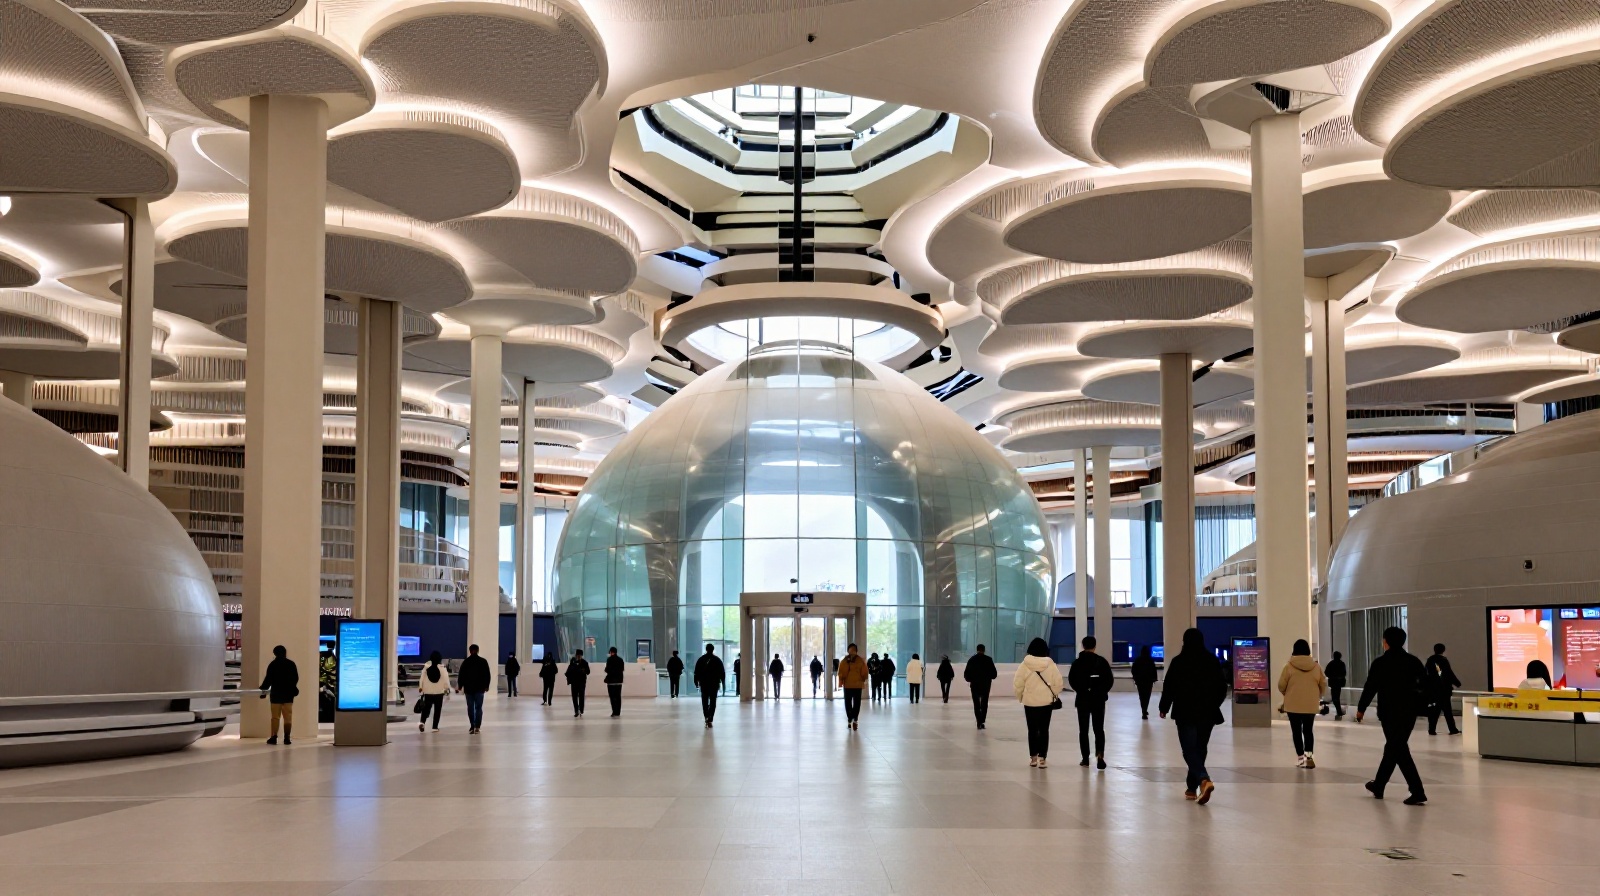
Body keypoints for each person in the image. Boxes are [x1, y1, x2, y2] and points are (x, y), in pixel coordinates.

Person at [1356, 626, 1428, 805]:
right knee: (1396, 747)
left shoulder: (1380, 663)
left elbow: (1370, 686)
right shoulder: (1413, 661)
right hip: (1409, 712)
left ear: (1386, 642)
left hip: (1388, 713)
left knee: (1398, 749)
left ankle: (1417, 791)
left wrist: (1361, 708)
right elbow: (1424, 686)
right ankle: (1379, 785)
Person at [1159, 628, 1227, 805]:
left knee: (1189, 748)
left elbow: (1170, 686)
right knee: (1200, 748)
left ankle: (1203, 779)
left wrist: (1164, 707)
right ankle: (1191, 787)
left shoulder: (1179, 661)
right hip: (1208, 713)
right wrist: (1214, 704)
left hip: (1185, 711)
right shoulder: (1212, 661)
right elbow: (1222, 687)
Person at [1015, 637, 1065, 768]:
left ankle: (1033, 758)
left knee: (1032, 730)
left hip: (1029, 702)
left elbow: (1018, 683)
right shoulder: (1050, 664)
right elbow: (1059, 683)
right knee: (1044, 729)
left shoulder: (1025, 664)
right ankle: (1042, 758)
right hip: (1046, 702)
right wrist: (1052, 695)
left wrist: (1021, 697)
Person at [1277, 639, 1327, 768]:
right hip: (1310, 705)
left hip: (1293, 705)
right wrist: (1317, 695)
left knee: (1296, 731)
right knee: (1308, 730)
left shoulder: (1288, 666)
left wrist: (1287, 694)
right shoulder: (1316, 667)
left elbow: (1281, 685)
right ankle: (1309, 757)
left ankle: (1300, 758)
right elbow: (1323, 684)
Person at [1068, 635, 1112, 769]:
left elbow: (1072, 680)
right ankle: (1100, 756)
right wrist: (1100, 692)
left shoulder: (1077, 663)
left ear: (1083, 646)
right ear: (1095, 646)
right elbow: (1109, 681)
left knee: (1083, 730)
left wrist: (1082, 690)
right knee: (1099, 729)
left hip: (1082, 699)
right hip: (1098, 700)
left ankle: (1085, 758)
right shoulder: (1102, 662)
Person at [257, 644, 299, 745]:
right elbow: (295, 678)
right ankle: (287, 737)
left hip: (276, 694)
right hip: (288, 695)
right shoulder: (291, 664)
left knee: (275, 717)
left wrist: (263, 691)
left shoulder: (273, 664)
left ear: (275, 653)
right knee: (288, 717)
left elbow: (268, 679)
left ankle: (274, 736)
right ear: (285, 653)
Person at [1425, 643, 1462, 736]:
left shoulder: (1430, 660)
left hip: (1433, 690)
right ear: (1443, 650)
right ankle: (1452, 729)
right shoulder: (1444, 660)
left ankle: (1431, 729)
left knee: (1434, 711)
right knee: (1447, 711)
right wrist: (1457, 683)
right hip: (1444, 690)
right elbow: (1449, 673)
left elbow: (1426, 674)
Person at [456, 644, 492, 734]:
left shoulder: (466, 662)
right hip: (480, 689)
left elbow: (461, 675)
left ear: (470, 651)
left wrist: (460, 686)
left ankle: (472, 725)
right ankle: (477, 727)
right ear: (478, 650)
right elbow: (487, 675)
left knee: (470, 708)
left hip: (469, 689)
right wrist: (487, 686)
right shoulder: (483, 661)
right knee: (478, 708)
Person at [964, 644, 998, 729]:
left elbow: (966, 674)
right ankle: (982, 720)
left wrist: (970, 679)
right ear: (984, 650)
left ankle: (978, 721)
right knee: (984, 703)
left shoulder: (972, 660)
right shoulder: (988, 660)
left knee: (976, 704)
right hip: (986, 685)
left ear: (977, 650)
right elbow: (994, 674)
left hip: (975, 685)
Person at [838, 644, 869, 730]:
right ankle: (855, 719)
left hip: (847, 685)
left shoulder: (844, 660)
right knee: (857, 703)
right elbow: (864, 672)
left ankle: (849, 718)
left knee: (848, 702)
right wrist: (863, 679)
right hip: (858, 685)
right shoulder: (860, 660)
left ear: (848, 650)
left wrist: (841, 680)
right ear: (856, 650)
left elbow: (841, 673)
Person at [416, 650, 449, 732]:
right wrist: (446, 688)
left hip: (428, 692)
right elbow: (445, 680)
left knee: (426, 708)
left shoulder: (426, 667)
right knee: (437, 710)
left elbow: (422, 678)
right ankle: (435, 727)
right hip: (439, 692)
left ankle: (422, 722)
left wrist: (421, 687)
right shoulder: (442, 668)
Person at [694, 644, 725, 728]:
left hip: (704, 684)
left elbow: (696, 672)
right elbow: (722, 673)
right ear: (713, 649)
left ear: (706, 649)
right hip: (714, 684)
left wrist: (696, 682)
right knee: (713, 701)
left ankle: (706, 716)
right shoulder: (717, 660)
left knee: (704, 700)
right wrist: (723, 683)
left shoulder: (701, 659)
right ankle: (710, 717)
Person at [1131, 645, 1158, 720]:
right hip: (1148, 681)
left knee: (1142, 696)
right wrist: (1154, 679)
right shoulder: (1150, 660)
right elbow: (1153, 670)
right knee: (1147, 696)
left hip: (1140, 681)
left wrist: (1135, 678)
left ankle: (1143, 710)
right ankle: (1145, 709)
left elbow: (1133, 670)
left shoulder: (1137, 660)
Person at [566, 649, 590, 717]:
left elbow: (588, 672)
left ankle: (581, 709)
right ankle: (576, 710)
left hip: (581, 682)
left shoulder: (584, 663)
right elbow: (569, 670)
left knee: (581, 696)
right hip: (574, 682)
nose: (578, 657)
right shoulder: (573, 662)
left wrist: (583, 670)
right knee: (574, 697)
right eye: (577, 655)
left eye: (580, 655)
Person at [1326, 650, 1348, 719]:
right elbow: (1344, 673)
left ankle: (1339, 711)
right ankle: (1339, 711)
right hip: (1339, 683)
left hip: (1333, 683)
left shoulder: (1331, 663)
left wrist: (1331, 676)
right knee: (1336, 697)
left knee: (1335, 697)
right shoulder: (1342, 664)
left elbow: (1326, 672)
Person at [604, 646, 625, 717]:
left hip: (611, 682)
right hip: (619, 681)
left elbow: (607, 670)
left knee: (612, 697)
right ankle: (618, 712)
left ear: (611, 652)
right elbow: (622, 669)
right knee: (618, 696)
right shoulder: (620, 660)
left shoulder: (609, 660)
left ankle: (614, 711)